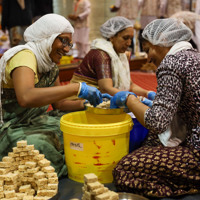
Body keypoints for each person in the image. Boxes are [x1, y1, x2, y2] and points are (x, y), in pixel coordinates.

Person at [0, 13, 105, 177]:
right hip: (8, 127)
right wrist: (76, 89)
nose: (66, 49)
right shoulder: (24, 56)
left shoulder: (48, 62)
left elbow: (60, 104)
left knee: (76, 128)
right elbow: (26, 97)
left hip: (34, 122)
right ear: (47, 37)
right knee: (38, 146)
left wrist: (86, 105)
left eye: (69, 43)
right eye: (63, 40)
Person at [111, 18, 200, 198]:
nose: (149, 57)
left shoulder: (171, 63)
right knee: (152, 140)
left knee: (125, 169)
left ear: (164, 41)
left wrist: (129, 99)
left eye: (149, 49)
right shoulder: (194, 56)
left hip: (197, 148)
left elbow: (156, 122)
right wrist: (154, 100)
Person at [70, 16, 156, 99]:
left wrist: (147, 93)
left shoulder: (120, 54)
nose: (129, 43)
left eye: (131, 39)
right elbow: (106, 89)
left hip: (102, 98)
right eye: (125, 38)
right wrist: (134, 99)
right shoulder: (101, 54)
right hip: (81, 100)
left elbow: (130, 85)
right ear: (112, 37)